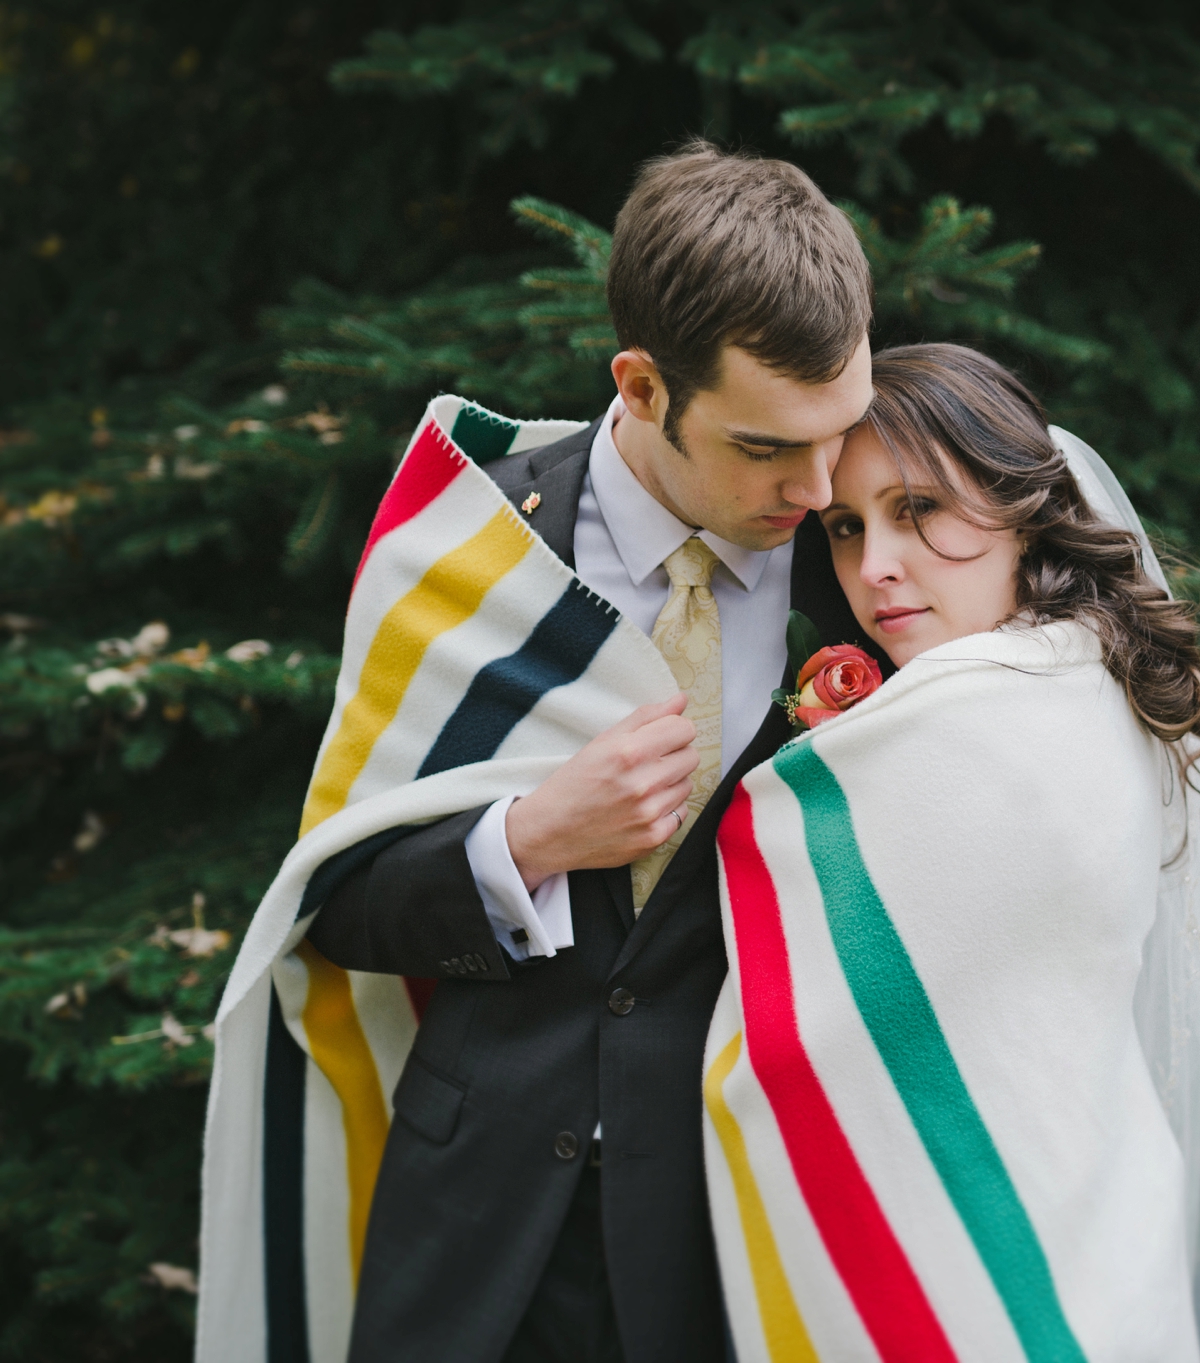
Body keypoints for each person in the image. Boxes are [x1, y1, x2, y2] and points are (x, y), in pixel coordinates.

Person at [293, 143, 879, 1362]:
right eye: (766, 447)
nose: (818, 484)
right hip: (480, 1230)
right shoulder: (466, 546)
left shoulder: (871, 570)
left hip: (747, 1236)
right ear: (644, 385)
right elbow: (339, 904)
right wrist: (528, 841)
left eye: (841, 430)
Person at [701, 344, 1200, 1363]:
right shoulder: (1104, 685)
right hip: (1108, 1240)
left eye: (918, 510)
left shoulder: (988, 718)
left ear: (1021, 512)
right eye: (848, 527)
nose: (873, 568)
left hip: (995, 1258)